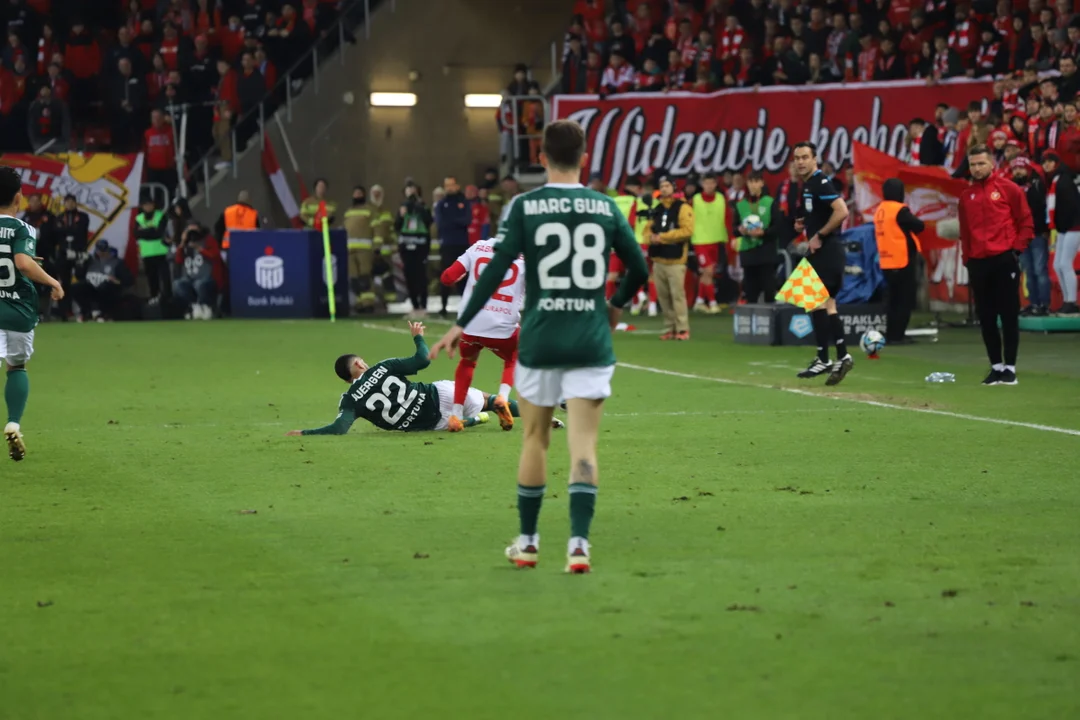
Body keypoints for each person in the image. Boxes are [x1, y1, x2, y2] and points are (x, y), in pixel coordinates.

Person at [428, 119, 649, 574]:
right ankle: (579, 547)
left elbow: (495, 268)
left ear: (542, 157)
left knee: (536, 439)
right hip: (589, 338)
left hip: (541, 338)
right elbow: (639, 268)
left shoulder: (526, 206)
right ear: (584, 156)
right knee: (584, 445)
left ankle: (528, 543)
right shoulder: (604, 206)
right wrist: (616, 306)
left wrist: (461, 323)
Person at [284, 322, 532, 435]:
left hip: (430, 426)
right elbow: (423, 360)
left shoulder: (350, 399)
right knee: (491, 400)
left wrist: (305, 433)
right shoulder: (382, 368)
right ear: (359, 364)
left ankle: (469, 421)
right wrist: (418, 337)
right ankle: (537, 416)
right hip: (438, 395)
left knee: (472, 414)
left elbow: (339, 428)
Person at [0, 166, 64, 460]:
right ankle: (13, 422)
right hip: (19, 311)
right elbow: (23, 264)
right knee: (17, 366)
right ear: (18, 197)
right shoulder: (23, 229)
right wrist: (51, 280)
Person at [958, 145, 1034, 385]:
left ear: (992, 164)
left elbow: (1026, 222)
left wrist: (1016, 250)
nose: (977, 168)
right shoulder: (965, 197)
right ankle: (995, 367)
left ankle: (1010, 367)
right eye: (973, 164)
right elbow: (965, 231)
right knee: (986, 316)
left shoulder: (1009, 189)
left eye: (981, 163)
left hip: (1003, 259)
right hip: (978, 263)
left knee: (1009, 314)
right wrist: (967, 259)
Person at [438, 237, 525, 432]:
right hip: (503, 328)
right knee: (514, 357)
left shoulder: (478, 246)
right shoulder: (525, 257)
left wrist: (459, 279)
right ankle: (502, 396)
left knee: (467, 362)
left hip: (470, 324)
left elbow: (447, 277)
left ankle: (456, 415)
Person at [792, 141, 853, 385]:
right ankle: (837, 356)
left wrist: (820, 235)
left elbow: (842, 211)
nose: (800, 161)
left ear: (815, 159)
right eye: (797, 158)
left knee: (818, 303)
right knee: (822, 304)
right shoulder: (809, 185)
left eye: (805, 157)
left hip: (827, 251)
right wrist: (804, 224)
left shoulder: (820, 181)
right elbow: (820, 212)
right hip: (822, 252)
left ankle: (828, 358)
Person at [874, 178, 926, 344]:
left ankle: (891, 334)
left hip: (886, 260)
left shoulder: (880, 209)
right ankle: (898, 335)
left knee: (893, 300)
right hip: (902, 260)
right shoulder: (899, 210)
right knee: (904, 300)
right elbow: (918, 225)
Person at [648, 175, 694, 340]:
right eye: (662, 186)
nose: (664, 188)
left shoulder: (683, 208)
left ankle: (682, 329)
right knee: (664, 296)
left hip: (676, 260)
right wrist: (650, 237)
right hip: (659, 259)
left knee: (677, 295)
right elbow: (647, 229)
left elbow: (687, 231)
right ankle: (670, 328)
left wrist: (663, 237)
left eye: (667, 185)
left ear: (674, 188)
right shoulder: (658, 208)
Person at [1042, 150, 1080, 315]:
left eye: (1050, 161)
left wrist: (1060, 225)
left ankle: (1071, 301)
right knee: (1058, 265)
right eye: (1044, 162)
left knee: (1065, 263)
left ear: (1056, 162)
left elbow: (1070, 206)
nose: (1047, 165)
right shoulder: (1057, 179)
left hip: (1073, 227)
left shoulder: (1062, 180)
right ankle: (1067, 301)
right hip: (1065, 228)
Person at [733, 171, 779, 303]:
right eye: (750, 182)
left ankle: (771, 321)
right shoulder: (740, 205)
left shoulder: (770, 202)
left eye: (756, 182)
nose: (753, 185)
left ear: (761, 183)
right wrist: (740, 230)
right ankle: (753, 321)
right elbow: (734, 229)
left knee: (769, 290)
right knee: (750, 291)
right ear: (747, 184)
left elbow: (777, 227)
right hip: (748, 253)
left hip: (766, 252)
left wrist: (763, 233)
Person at [1013, 158, 1051, 317]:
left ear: (1027, 169)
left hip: (1035, 234)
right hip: (1020, 237)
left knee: (1039, 270)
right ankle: (1033, 303)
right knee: (1028, 271)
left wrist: (1043, 229)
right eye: (1015, 169)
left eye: (1020, 168)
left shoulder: (1036, 185)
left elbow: (1040, 209)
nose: (1017, 172)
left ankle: (1044, 305)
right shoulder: (1011, 188)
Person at [690, 172, 727, 314]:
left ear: (716, 184)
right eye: (706, 183)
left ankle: (699, 301)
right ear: (702, 184)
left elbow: (727, 218)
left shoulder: (721, 199)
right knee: (708, 271)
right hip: (700, 241)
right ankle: (712, 303)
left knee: (707, 273)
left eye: (712, 183)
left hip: (716, 239)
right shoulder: (695, 200)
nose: (709, 186)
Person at [435, 176, 471, 318]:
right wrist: (456, 221)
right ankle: (443, 307)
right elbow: (440, 223)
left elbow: (467, 220)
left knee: (464, 275)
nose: (449, 188)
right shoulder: (441, 204)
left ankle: (466, 307)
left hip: (462, 244)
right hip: (447, 244)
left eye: (452, 185)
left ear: (457, 186)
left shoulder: (464, 202)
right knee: (447, 275)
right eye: (447, 185)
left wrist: (451, 221)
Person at [395, 182, 433, 316]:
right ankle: (415, 306)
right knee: (409, 277)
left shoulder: (423, 206)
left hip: (420, 246)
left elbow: (429, 221)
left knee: (421, 277)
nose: (410, 193)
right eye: (408, 190)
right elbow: (397, 226)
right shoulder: (402, 207)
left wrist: (420, 207)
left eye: (413, 190)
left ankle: (423, 305)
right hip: (406, 247)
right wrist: (400, 215)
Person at [71, 240, 133, 322]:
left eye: (104, 251)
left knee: (105, 287)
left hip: (108, 290)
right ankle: (88, 312)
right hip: (92, 289)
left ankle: (104, 313)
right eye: (100, 251)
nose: (102, 253)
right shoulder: (90, 261)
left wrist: (117, 281)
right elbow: (79, 276)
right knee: (76, 287)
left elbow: (129, 280)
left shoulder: (116, 262)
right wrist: (81, 264)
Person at [173, 223, 223, 320]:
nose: (192, 234)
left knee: (199, 284)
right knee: (178, 284)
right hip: (190, 277)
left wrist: (199, 249)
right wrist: (182, 242)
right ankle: (194, 305)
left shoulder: (208, 240)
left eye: (194, 230)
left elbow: (214, 256)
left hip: (207, 277)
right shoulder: (185, 244)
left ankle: (206, 307)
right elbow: (178, 260)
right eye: (189, 231)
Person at [344, 185, 378, 312]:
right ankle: (359, 302)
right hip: (350, 250)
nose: (357, 195)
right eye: (355, 193)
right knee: (354, 278)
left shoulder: (370, 210)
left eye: (360, 193)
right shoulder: (348, 212)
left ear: (364, 195)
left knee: (365, 277)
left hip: (365, 250)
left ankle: (368, 303)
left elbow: (377, 229)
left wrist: (377, 247)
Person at [134, 195, 171, 302]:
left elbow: (159, 233)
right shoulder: (139, 218)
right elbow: (136, 234)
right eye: (146, 205)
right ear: (142, 206)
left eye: (150, 204)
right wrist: (151, 230)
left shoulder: (161, 215)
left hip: (161, 252)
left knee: (165, 279)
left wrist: (144, 231)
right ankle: (154, 298)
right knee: (151, 279)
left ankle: (167, 299)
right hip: (147, 253)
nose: (148, 207)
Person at [213, 190, 259, 258]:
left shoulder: (227, 212)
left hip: (228, 248)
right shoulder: (253, 215)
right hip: (246, 250)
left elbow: (218, 229)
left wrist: (218, 246)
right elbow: (257, 235)